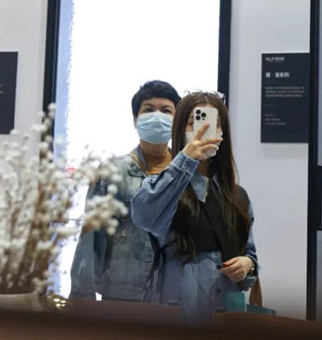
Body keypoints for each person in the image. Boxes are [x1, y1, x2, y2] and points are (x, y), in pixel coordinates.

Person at [131, 91, 259, 322]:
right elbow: (144, 216)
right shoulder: (162, 187)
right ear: (180, 129)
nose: (204, 129)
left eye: (214, 124)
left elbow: (249, 251)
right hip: (176, 309)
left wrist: (247, 265)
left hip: (226, 311)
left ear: (223, 133)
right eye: (194, 122)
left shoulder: (237, 195)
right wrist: (185, 159)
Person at [69, 80, 181, 301]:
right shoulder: (112, 172)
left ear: (177, 121)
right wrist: (82, 300)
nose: (157, 116)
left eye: (166, 110)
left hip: (174, 296)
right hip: (121, 294)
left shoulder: (185, 173)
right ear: (135, 120)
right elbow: (91, 238)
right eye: (148, 110)